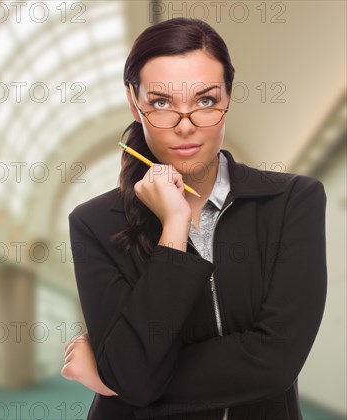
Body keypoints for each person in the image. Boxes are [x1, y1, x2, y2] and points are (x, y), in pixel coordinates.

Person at [61, 17, 327, 420]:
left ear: (228, 97)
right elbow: (134, 372)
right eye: (162, 103)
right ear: (134, 102)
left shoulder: (293, 201)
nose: (186, 127)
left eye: (205, 100)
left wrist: (111, 380)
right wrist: (173, 229)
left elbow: (275, 361)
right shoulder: (94, 223)